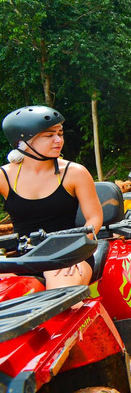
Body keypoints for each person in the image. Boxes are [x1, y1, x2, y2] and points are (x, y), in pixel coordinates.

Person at [0, 106, 102, 289]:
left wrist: (74, 251)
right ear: (22, 142)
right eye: (49, 135)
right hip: (18, 258)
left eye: (60, 134)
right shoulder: (4, 176)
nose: (58, 140)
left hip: (66, 254)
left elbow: (94, 218)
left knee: (60, 298)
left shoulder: (75, 172)